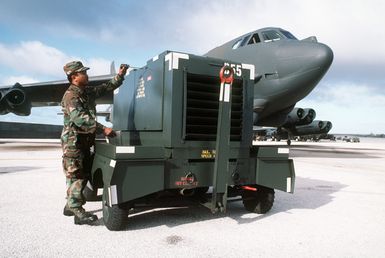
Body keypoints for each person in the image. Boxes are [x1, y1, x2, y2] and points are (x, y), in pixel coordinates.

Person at [61, 61, 128, 225]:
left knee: (82, 174)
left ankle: (71, 205)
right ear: (74, 76)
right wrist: (103, 128)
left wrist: (120, 75)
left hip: (83, 141)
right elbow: (80, 119)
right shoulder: (71, 96)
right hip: (73, 142)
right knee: (76, 175)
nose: (87, 74)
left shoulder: (86, 92)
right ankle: (78, 212)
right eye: (83, 72)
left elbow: (105, 87)